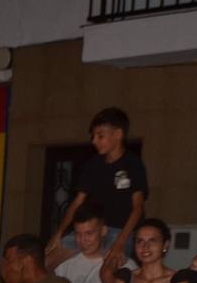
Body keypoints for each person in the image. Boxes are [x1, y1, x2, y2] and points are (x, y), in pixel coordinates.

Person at [46, 107, 148, 267]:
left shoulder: (132, 163)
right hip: (91, 230)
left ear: (118, 134)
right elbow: (77, 202)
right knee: (47, 260)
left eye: (100, 136)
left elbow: (138, 207)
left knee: (107, 270)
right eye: (93, 136)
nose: (94, 141)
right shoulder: (93, 165)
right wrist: (59, 233)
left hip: (120, 232)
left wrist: (120, 243)